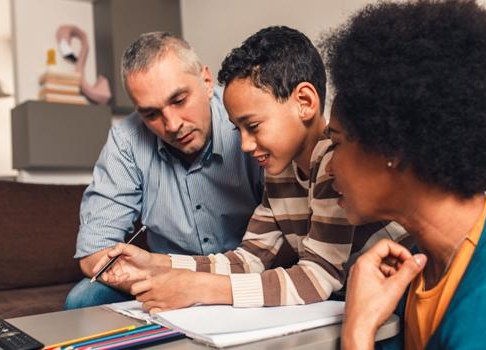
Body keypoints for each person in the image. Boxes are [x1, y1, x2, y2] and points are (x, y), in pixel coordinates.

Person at [93, 26, 406, 312]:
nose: (243, 144)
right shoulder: (279, 171)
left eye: (253, 126)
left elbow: (316, 279)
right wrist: (157, 262)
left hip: (396, 301)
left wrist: (201, 287)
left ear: (305, 102)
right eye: (238, 129)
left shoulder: (334, 162)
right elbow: (248, 259)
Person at [322, 0, 486, 348]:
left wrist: (359, 331)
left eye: (335, 143)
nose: (328, 167)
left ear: (391, 147)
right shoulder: (416, 264)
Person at [64, 32, 264, 309]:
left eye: (179, 100)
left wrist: (201, 287)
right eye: (151, 114)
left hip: (249, 271)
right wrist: (161, 283)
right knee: (82, 300)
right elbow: (94, 251)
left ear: (206, 81)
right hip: (163, 275)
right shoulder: (126, 141)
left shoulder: (245, 119)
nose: (171, 125)